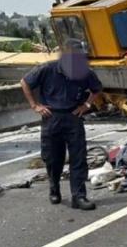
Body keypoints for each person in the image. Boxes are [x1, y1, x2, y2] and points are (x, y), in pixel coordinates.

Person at [20, 40, 101, 210]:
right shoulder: (47, 69)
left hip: (73, 117)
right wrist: (35, 105)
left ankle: (79, 196)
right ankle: (54, 187)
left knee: (78, 158)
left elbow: (96, 89)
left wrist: (86, 105)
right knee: (53, 158)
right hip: (52, 118)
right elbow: (25, 82)